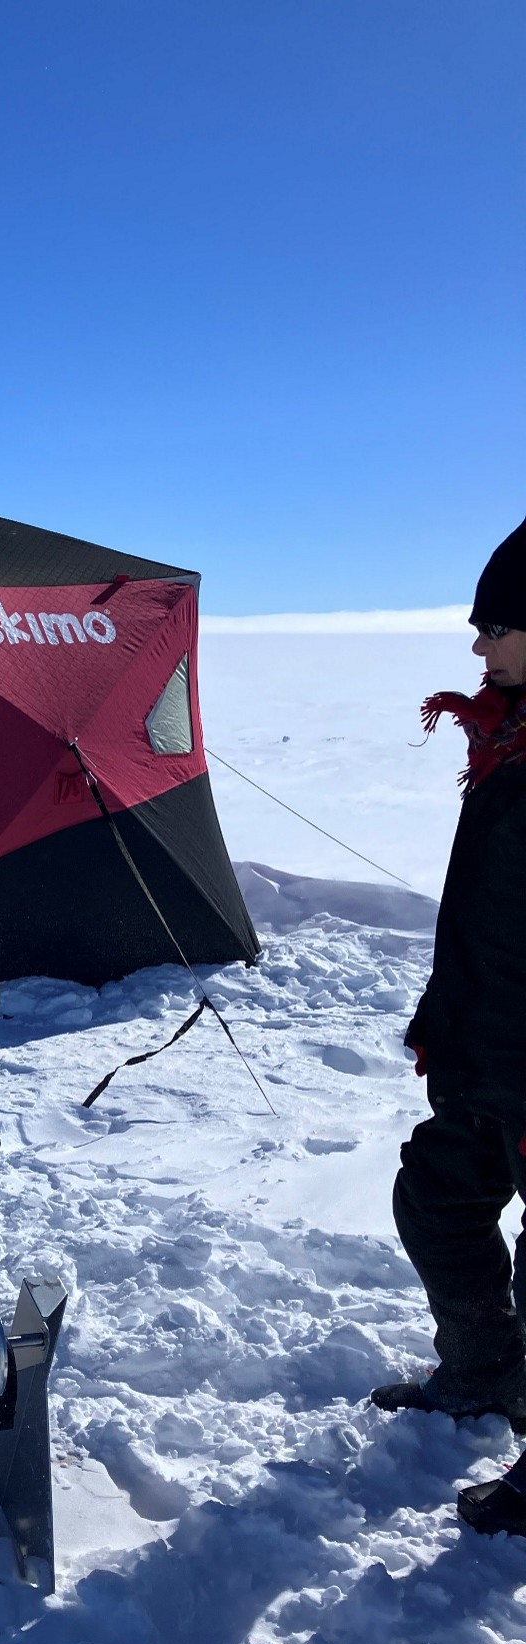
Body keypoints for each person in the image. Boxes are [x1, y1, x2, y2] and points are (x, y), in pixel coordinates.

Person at [368, 517, 526, 1537]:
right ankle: (480, 1370)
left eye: (496, 626)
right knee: (434, 1195)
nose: (476, 648)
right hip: (489, 1043)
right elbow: (484, 910)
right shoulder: (506, 735)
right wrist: (447, 1019)